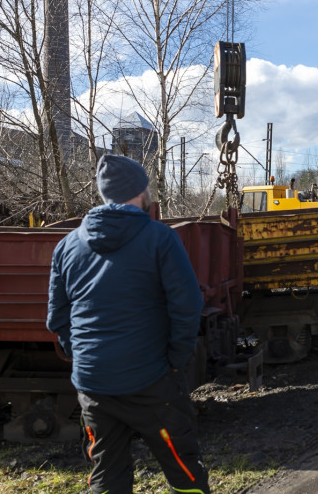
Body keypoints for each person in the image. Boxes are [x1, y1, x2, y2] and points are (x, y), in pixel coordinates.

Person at [47, 154, 210, 494]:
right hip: (152, 383)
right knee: (183, 473)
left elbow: (57, 317)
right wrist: (176, 360)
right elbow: (189, 304)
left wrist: (85, 357)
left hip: (94, 387)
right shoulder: (159, 238)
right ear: (140, 190)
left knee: (107, 477)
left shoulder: (66, 246)